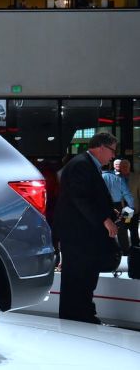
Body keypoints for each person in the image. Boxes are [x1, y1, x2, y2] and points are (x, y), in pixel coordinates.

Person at [54, 132, 120, 324]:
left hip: (81, 234)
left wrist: (108, 212)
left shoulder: (85, 164)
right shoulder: (82, 165)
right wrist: (104, 219)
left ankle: (82, 315)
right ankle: (78, 317)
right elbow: (80, 198)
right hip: (78, 235)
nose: (113, 156)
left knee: (83, 276)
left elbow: (87, 198)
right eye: (112, 151)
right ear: (101, 147)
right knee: (79, 277)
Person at [102, 158, 135, 252]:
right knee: (123, 229)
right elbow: (128, 196)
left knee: (104, 229)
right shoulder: (118, 178)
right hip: (118, 206)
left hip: (102, 205)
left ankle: (106, 251)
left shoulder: (97, 177)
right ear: (110, 166)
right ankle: (125, 251)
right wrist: (129, 213)